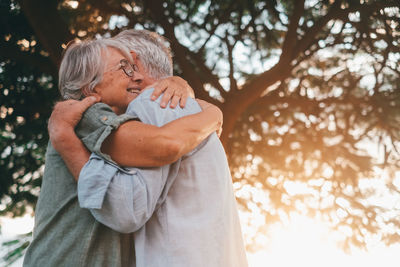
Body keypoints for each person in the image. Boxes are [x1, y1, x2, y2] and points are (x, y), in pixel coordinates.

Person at [23, 31, 222, 267]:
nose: (136, 78)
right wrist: (213, 114)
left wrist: (179, 84)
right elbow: (164, 145)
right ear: (91, 87)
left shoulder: (123, 120)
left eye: (133, 67)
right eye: (124, 68)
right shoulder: (85, 114)